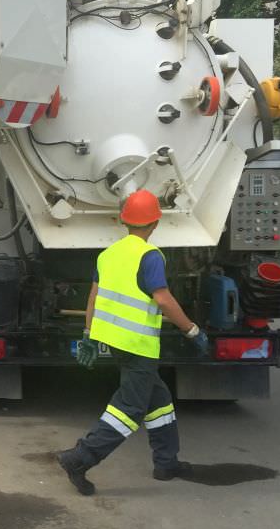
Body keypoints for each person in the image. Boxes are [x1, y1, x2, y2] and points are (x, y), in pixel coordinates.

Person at [57, 189, 209, 496]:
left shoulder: (107, 254)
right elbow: (164, 300)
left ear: (124, 221)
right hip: (138, 345)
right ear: (155, 222)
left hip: (115, 342)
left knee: (159, 399)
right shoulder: (149, 256)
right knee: (129, 407)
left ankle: (166, 462)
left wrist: (87, 335)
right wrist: (192, 330)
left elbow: (94, 298)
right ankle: (80, 458)